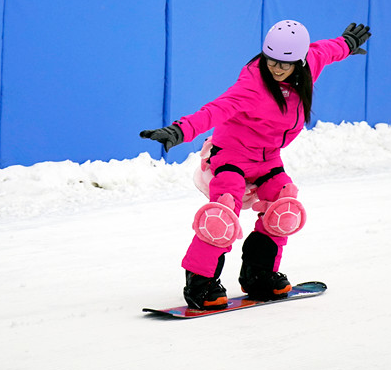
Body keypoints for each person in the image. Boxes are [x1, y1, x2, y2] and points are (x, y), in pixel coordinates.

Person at [140, 20, 371, 310]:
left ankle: (258, 274)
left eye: (285, 64)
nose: (276, 68)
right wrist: (179, 130)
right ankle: (200, 282)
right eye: (271, 60)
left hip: (268, 158)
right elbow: (216, 109)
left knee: (284, 207)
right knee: (221, 216)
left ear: (298, 62)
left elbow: (327, 50)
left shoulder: (309, 63)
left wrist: (347, 43)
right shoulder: (253, 83)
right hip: (232, 156)